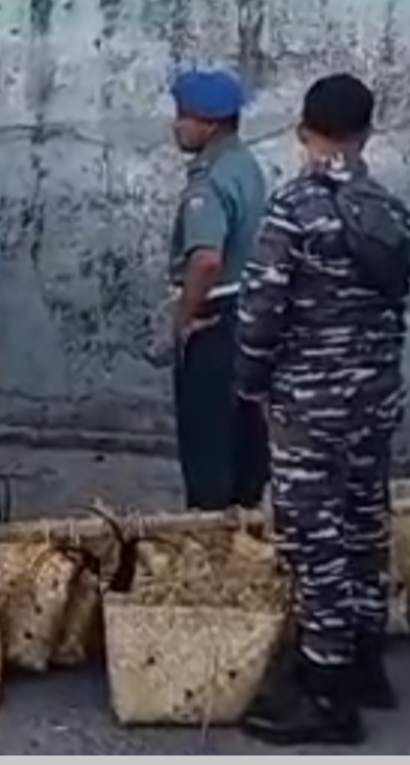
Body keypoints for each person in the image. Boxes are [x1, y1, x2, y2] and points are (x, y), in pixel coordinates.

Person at [234, 73, 410, 747]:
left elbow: (262, 308)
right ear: (366, 133)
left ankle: (326, 688)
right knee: (365, 522)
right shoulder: (391, 211)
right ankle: (367, 660)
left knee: (315, 537)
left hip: (310, 404)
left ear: (302, 130)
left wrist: (251, 381)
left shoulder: (296, 208)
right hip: (374, 399)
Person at [164, 69, 271, 512]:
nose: (175, 125)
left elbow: (206, 259)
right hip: (251, 314)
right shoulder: (245, 165)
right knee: (244, 441)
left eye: (182, 116)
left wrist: (184, 317)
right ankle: (246, 530)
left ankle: (209, 539)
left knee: (207, 442)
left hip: (215, 319)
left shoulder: (209, 181)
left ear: (208, 123)